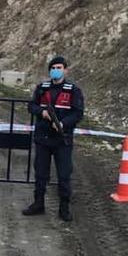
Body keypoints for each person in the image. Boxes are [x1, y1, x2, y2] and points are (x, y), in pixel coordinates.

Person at [24, 56, 84, 221]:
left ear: (65, 70)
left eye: (59, 67)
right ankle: (38, 204)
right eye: (53, 68)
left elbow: (78, 113)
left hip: (62, 140)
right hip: (43, 138)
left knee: (64, 175)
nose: (56, 70)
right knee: (40, 174)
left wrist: (63, 124)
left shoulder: (73, 90)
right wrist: (41, 112)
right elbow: (31, 105)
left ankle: (64, 208)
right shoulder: (42, 88)